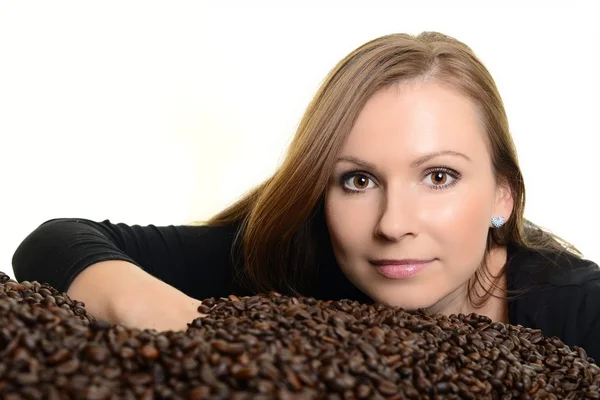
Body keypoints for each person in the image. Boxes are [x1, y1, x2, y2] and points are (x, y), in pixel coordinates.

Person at [12, 32, 600, 362]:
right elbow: (55, 242)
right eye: (358, 180)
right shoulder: (295, 260)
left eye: (439, 176)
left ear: (505, 197)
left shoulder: (578, 312)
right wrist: (167, 317)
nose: (393, 224)